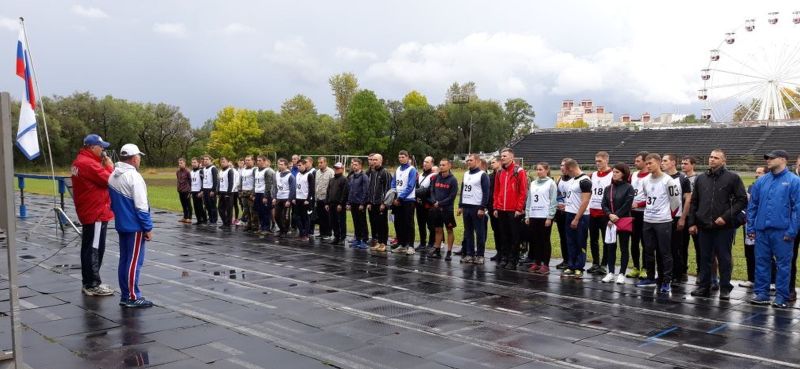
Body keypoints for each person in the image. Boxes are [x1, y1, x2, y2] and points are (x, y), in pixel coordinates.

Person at [688, 149, 747, 300]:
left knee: (724, 258)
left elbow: (742, 200)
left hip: (723, 227)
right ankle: (704, 287)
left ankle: (725, 288)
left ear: (723, 160)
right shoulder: (701, 179)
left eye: (716, 157)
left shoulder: (733, 178)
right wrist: (692, 223)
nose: (712, 160)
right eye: (710, 157)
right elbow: (694, 202)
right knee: (705, 258)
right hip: (704, 226)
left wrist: (726, 217)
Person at [747, 150, 800, 308]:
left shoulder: (794, 181)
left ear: (783, 159)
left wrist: (791, 231)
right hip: (762, 230)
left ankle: (782, 296)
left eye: (771, 158)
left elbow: (798, 209)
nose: (768, 160)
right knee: (761, 262)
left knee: (783, 265)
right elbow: (753, 206)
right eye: (767, 158)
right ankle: (762, 293)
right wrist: (751, 226)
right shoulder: (761, 181)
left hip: (782, 232)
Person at [108, 143, 154, 308]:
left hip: (122, 224)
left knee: (125, 260)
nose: (139, 159)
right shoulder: (134, 177)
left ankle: (125, 294)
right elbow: (141, 207)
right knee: (134, 262)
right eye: (139, 157)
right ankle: (133, 297)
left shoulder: (113, 175)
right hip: (134, 226)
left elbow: (112, 203)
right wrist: (148, 228)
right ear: (134, 158)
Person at [71, 134, 115, 297]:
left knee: (89, 247)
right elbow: (110, 180)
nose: (103, 149)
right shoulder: (88, 163)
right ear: (92, 147)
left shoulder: (80, 161)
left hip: (89, 210)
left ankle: (88, 282)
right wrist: (109, 166)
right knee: (95, 249)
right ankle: (93, 284)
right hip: (95, 212)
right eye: (100, 146)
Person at [636, 153, 681, 293]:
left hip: (663, 222)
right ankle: (650, 277)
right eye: (647, 163)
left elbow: (676, 202)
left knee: (665, 252)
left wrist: (667, 215)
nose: (648, 166)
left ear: (659, 163)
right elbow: (648, 197)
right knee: (648, 250)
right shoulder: (645, 180)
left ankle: (666, 280)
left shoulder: (668, 181)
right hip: (648, 220)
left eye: (651, 163)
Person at [492, 148, 528, 270]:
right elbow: (496, 191)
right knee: (503, 235)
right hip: (501, 209)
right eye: (501, 156)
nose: (502, 158)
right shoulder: (499, 172)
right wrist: (496, 206)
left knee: (514, 236)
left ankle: (513, 260)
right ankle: (504, 258)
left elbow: (523, 191)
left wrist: (519, 208)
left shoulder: (519, 171)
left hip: (513, 210)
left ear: (512, 157)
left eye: (505, 156)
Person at [601, 162, 634, 284]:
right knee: (610, 247)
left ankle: (622, 273)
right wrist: (610, 215)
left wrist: (617, 215)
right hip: (610, 221)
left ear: (623, 174)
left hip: (623, 221)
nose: (614, 174)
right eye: (613, 172)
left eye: (617, 172)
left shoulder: (629, 187)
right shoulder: (608, 188)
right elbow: (603, 204)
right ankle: (610, 272)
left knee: (624, 247)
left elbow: (628, 204)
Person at [662, 154, 693, 283]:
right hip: (663, 218)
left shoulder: (683, 179)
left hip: (677, 217)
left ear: (673, 162)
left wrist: (683, 218)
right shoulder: (661, 178)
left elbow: (688, 199)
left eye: (665, 161)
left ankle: (679, 273)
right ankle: (667, 273)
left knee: (678, 247)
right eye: (662, 161)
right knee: (664, 247)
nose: (662, 163)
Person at [524, 162, 557, 274]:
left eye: (541, 169)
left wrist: (550, 216)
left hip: (544, 216)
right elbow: (529, 200)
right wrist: (527, 215)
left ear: (546, 170)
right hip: (534, 215)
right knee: (535, 240)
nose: (538, 171)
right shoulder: (533, 183)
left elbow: (553, 201)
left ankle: (546, 265)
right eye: (537, 169)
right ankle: (537, 262)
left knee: (544, 240)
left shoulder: (551, 183)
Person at [561, 158, 591, 278]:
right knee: (570, 241)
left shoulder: (585, 181)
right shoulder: (573, 180)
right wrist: (566, 205)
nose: (566, 174)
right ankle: (571, 264)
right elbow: (572, 197)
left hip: (581, 216)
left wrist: (577, 218)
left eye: (567, 171)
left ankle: (579, 266)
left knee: (580, 241)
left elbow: (585, 202)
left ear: (571, 168)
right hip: (569, 213)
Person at [458, 154, 490, 264]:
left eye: (471, 160)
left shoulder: (482, 175)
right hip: (466, 206)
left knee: (480, 232)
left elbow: (486, 193)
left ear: (477, 161)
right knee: (468, 232)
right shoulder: (466, 174)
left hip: (477, 208)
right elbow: (463, 190)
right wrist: (460, 205)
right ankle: (469, 254)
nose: (468, 162)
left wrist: (482, 208)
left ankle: (480, 255)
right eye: (467, 160)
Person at [588, 151, 613, 276]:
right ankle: (595, 262)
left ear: (606, 160)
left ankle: (604, 264)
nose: (597, 163)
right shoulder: (593, 175)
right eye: (596, 161)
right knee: (593, 239)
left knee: (606, 240)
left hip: (605, 213)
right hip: (592, 211)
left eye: (600, 161)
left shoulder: (613, 175)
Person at [428, 158, 459, 261]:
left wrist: (440, 203)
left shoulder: (453, 180)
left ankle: (449, 252)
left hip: (447, 210)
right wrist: (433, 201)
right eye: (440, 165)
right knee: (437, 229)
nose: (441, 166)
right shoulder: (436, 177)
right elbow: (431, 190)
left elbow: (452, 196)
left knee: (449, 230)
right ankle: (437, 250)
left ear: (449, 166)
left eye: (444, 165)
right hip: (436, 209)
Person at [741, 166, 766, 288]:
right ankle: (752, 279)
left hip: (762, 225)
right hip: (749, 224)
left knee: (765, 254)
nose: (757, 175)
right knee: (749, 252)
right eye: (756, 172)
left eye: (760, 173)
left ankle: (771, 281)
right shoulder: (751, 187)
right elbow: (746, 205)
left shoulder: (769, 188)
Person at [627, 151, 650, 279]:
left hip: (645, 214)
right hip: (633, 214)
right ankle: (636, 266)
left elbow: (655, 197)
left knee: (645, 242)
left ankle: (645, 268)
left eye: (638, 161)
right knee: (634, 241)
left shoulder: (651, 177)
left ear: (646, 162)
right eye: (635, 161)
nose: (635, 163)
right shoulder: (634, 175)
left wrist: (639, 204)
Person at [392, 150, 418, 254]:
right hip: (397, 201)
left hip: (408, 201)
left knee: (409, 224)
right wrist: (394, 196)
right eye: (400, 157)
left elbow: (410, 186)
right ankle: (402, 244)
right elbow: (393, 183)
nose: (401, 159)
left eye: (403, 157)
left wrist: (400, 198)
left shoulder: (412, 170)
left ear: (408, 158)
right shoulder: (397, 169)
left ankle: (411, 246)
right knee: (398, 223)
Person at [367, 154, 392, 252]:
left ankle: (383, 243)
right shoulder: (372, 173)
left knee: (383, 224)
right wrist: (369, 202)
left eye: (376, 160)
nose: (373, 161)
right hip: (373, 203)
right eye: (372, 160)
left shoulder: (385, 172)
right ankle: (378, 242)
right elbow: (370, 188)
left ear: (381, 161)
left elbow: (388, 189)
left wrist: (384, 203)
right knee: (375, 223)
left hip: (381, 204)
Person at [347, 158, 370, 249]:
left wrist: (362, 203)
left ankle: (364, 240)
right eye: (353, 165)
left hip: (360, 204)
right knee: (356, 222)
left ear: (360, 166)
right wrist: (348, 202)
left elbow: (366, 191)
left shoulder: (364, 177)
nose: (354, 166)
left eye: (356, 165)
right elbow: (350, 191)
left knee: (362, 222)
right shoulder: (352, 177)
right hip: (353, 203)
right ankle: (358, 239)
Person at [416, 156, 436, 253]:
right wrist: (418, 192)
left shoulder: (434, 176)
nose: (425, 163)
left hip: (429, 205)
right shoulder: (420, 175)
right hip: (419, 204)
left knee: (431, 226)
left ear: (432, 164)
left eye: (427, 162)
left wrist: (419, 192)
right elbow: (416, 188)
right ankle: (422, 243)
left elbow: (431, 190)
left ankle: (431, 244)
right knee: (421, 225)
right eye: (424, 161)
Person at [326, 162, 349, 245]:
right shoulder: (332, 180)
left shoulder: (344, 179)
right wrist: (327, 203)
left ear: (342, 169)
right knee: (333, 221)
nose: (336, 170)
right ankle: (336, 236)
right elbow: (328, 192)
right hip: (331, 204)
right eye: (335, 168)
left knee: (341, 222)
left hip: (339, 205)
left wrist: (341, 204)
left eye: (338, 168)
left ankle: (342, 238)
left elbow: (344, 193)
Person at [554, 160, 571, 270]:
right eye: (561, 165)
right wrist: (558, 204)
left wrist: (567, 205)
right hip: (561, 213)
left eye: (564, 165)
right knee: (562, 237)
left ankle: (572, 260)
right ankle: (565, 259)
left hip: (571, 212)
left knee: (571, 238)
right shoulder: (559, 179)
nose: (562, 167)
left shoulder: (575, 179)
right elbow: (558, 194)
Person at [252, 156, 276, 235]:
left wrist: (266, 196)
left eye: (260, 160)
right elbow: (254, 182)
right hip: (257, 193)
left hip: (264, 193)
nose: (258, 162)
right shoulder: (255, 170)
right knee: (259, 211)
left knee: (265, 212)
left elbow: (268, 185)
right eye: (257, 160)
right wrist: (253, 193)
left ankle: (266, 228)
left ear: (264, 161)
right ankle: (262, 227)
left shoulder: (268, 171)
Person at [294, 159, 316, 241]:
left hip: (305, 199)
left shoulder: (309, 175)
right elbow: (296, 187)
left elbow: (312, 189)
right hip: (298, 198)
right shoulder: (297, 174)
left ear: (304, 165)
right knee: (296, 217)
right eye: (298, 165)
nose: (299, 167)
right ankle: (301, 232)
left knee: (305, 218)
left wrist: (308, 199)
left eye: (300, 165)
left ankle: (305, 235)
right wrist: (294, 198)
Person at [273, 158, 296, 237]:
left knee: (285, 216)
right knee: (276, 216)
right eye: (279, 164)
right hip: (279, 197)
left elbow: (293, 189)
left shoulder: (290, 176)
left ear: (286, 165)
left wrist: (289, 200)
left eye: (282, 164)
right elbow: (276, 187)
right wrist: (274, 197)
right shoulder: (277, 174)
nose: (280, 166)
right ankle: (281, 229)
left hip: (286, 198)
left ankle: (285, 231)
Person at [314, 157, 335, 240]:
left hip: (326, 198)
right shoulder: (317, 172)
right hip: (318, 197)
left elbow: (332, 186)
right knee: (320, 217)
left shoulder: (330, 172)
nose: (319, 164)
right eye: (318, 162)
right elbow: (316, 185)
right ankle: (322, 233)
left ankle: (328, 233)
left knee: (327, 217)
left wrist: (329, 199)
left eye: (321, 162)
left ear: (326, 163)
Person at [487, 158, 502, 263]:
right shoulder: (490, 177)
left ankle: (506, 253)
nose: (491, 164)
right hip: (492, 207)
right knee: (496, 231)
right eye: (491, 163)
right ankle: (499, 251)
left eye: (493, 162)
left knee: (504, 231)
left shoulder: (503, 175)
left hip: (502, 207)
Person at [217, 157, 236, 229]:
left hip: (228, 192)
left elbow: (231, 183)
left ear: (228, 162)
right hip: (221, 192)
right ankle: (225, 222)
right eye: (221, 162)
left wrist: (228, 193)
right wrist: (218, 191)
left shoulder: (230, 171)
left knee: (228, 209)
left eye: (224, 162)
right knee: (220, 208)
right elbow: (219, 182)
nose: (222, 163)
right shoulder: (221, 171)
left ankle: (228, 224)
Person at [200, 155, 219, 225]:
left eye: (207, 159)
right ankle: (210, 218)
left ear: (210, 160)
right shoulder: (204, 169)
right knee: (207, 205)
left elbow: (215, 180)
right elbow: (203, 180)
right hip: (205, 189)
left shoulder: (213, 168)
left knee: (212, 206)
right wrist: (202, 190)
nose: (205, 161)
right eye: (204, 159)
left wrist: (213, 190)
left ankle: (214, 220)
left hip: (211, 190)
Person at [240, 156, 256, 232]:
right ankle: (248, 224)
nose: (247, 161)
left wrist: (253, 193)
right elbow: (241, 181)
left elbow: (256, 182)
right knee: (246, 209)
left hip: (251, 192)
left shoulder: (255, 169)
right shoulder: (243, 170)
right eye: (246, 160)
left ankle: (255, 225)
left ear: (253, 161)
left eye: (249, 160)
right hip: (244, 191)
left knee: (253, 209)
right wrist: (240, 190)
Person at [189, 157, 207, 225]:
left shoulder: (200, 171)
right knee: (195, 207)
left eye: (195, 162)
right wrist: (190, 192)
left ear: (198, 163)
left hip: (199, 191)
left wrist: (202, 191)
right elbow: (190, 183)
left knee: (200, 206)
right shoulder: (191, 172)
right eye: (192, 162)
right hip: (193, 191)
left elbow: (203, 181)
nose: (193, 164)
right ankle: (199, 220)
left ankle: (204, 219)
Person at [176, 158, 192, 223]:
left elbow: (190, 181)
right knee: (183, 205)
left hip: (186, 191)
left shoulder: (188, 172)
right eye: (179, 163)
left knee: (188, 204)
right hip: (180, 191)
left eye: (181, 163)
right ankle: (185, 217)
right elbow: (178, 180)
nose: (180, 164)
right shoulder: (178, 172)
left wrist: (190, 191)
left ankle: (189, 218)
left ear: (185, 163)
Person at [232, 159, 242, 226]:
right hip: (234, 190)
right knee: (233, 204)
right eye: (239, 162)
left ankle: (238, 218)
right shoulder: (236, 170)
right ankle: (234, 218)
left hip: (238, 190)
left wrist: (233, 188)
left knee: (240, 204)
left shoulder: (237, 171)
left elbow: (237, 182)